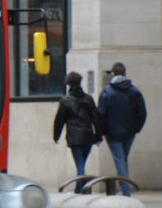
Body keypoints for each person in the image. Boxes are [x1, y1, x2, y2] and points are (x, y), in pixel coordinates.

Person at [96, 61, 147, 195]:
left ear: (112, 74)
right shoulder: (134, 91)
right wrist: (137, 128)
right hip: (129, 131)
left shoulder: (107, 91)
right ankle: (124, 187)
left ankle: (126, 192)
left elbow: (101, 114)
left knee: (120, 161)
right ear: (125, 73)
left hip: (112, 132)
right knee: (123, 160)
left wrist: (100, 133)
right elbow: (142, 112)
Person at [51, 71, 102, 191]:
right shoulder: (88, 99)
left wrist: (56, 136)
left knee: (80, 164)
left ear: (68, 83)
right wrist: (98, 136)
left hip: (74, 137)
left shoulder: (65, 100)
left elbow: (59, 120)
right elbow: (96, 118)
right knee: (82, 163)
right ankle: (80, 189)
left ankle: (81, 190)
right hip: (88, 136)